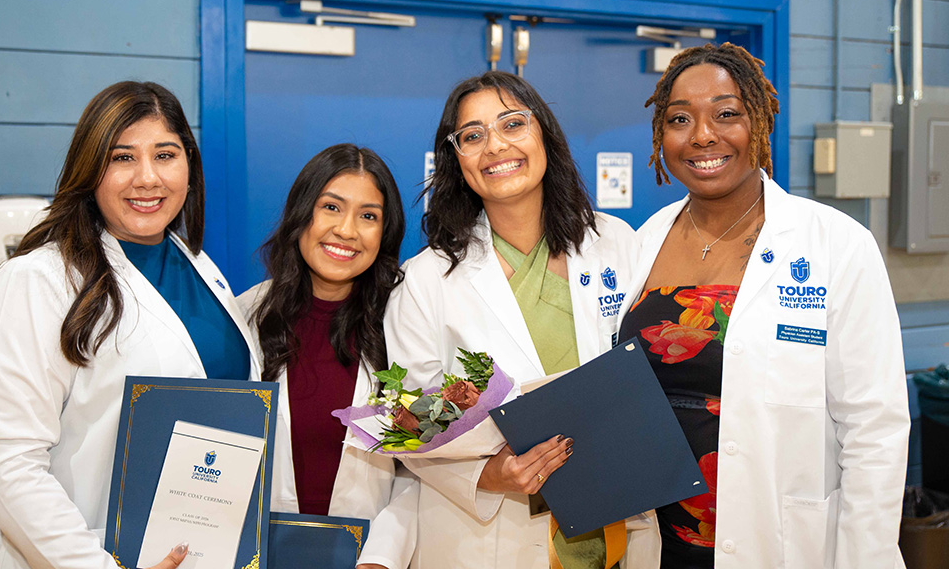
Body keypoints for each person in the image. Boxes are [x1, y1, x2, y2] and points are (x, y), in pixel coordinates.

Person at [617, 42, 910, 568]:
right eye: (680, 119)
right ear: (661, 135)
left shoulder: (834, 243)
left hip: (776, 540)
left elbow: (874, 429)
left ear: (760, 122)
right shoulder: (644, 241)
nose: (703, 135)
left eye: (726, 114)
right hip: (656, 538)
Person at [0, 82, 262, 569]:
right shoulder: (37, 281)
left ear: (189, 163)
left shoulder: (198, 265)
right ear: (90, 169)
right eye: (122, 158)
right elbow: (5, 461)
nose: (147, 178)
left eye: (165, 154)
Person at [384, 71, 651, 569]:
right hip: (490, 540)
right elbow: (407, 426)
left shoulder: (617, 245)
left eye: (512, 124)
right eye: (473, 135)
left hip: (617, 523)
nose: (495, 146)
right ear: (456, 160)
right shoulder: (425, 282)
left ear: (543, 133)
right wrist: (489, 475)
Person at [238, 144, 416, 569]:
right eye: (331, 207)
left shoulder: (405, 328)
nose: (347, 230)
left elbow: (424, 470)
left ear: (385, 232)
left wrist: (381, 557)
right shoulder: (244, 319)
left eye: (368, 216)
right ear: (302, 214)